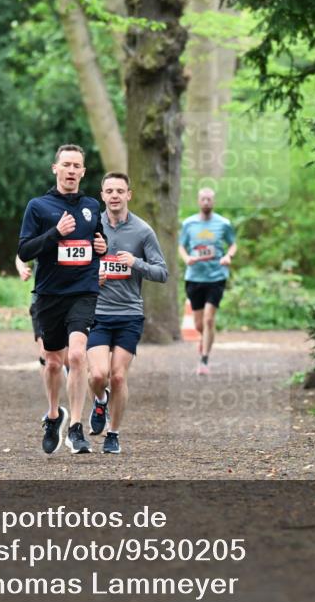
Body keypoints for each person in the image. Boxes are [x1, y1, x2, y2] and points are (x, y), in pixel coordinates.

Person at [18, 144, 107, 454]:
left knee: (78, 356)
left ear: (83, 172)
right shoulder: (38, 207)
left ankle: (76, 428)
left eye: (76, 166)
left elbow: (97, 239)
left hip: (83, 291)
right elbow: (25, 251)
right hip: (49, 294)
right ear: (55, 168)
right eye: (66, 164)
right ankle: (54, 415)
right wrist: (55, 233)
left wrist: (101, 246)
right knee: (54, 362)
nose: (71, 170)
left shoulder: (92, 206)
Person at [86, 172, 168, 454]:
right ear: (102, 195)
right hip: (96, 312)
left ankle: (114, 433)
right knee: (98, 375)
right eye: (109, 191)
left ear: (129, 195)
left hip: (129, 314)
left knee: (118, 376)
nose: (115, 196)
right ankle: (99, 402)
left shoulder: (143, 231)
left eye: (120, 191)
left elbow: (162, 272)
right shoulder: (91, 227)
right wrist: (91, 276)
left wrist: (136, 263)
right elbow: (76, 264)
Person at [178, 187, 236, 375]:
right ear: (198, 201)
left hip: (217, 276)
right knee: (198, 325)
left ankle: (204, 360)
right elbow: (181, 246)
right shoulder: (189, 224)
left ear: (214, 201)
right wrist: (187, 259)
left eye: (209, 199)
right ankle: (204, 340)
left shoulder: (223, 224)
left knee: (209, 319)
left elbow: (233, 244)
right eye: (203, 199)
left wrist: (228, 256)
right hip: (194, 277)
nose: (206, 202)